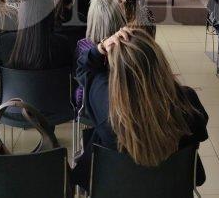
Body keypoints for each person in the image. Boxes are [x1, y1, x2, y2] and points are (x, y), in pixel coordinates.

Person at [72, 27, 209, 191]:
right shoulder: (187, 101)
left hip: (116, 189)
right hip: (170, 190)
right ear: (160, 63)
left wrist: (101, 47)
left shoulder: (103, 100)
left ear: (115, 73)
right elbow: (200, 130)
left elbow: (83, 68)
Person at [74, 0, 127, 106]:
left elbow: (79, 77)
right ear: (119, 16)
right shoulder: (127, 45)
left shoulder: (82, 46)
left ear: (92, 19)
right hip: (123, 103)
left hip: (87, 103)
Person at [6, 0, 72, 71]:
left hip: (16, 83)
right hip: (52, 83)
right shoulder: (62, 44)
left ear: (22, 15)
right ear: (51, 15)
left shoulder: (6, 43)